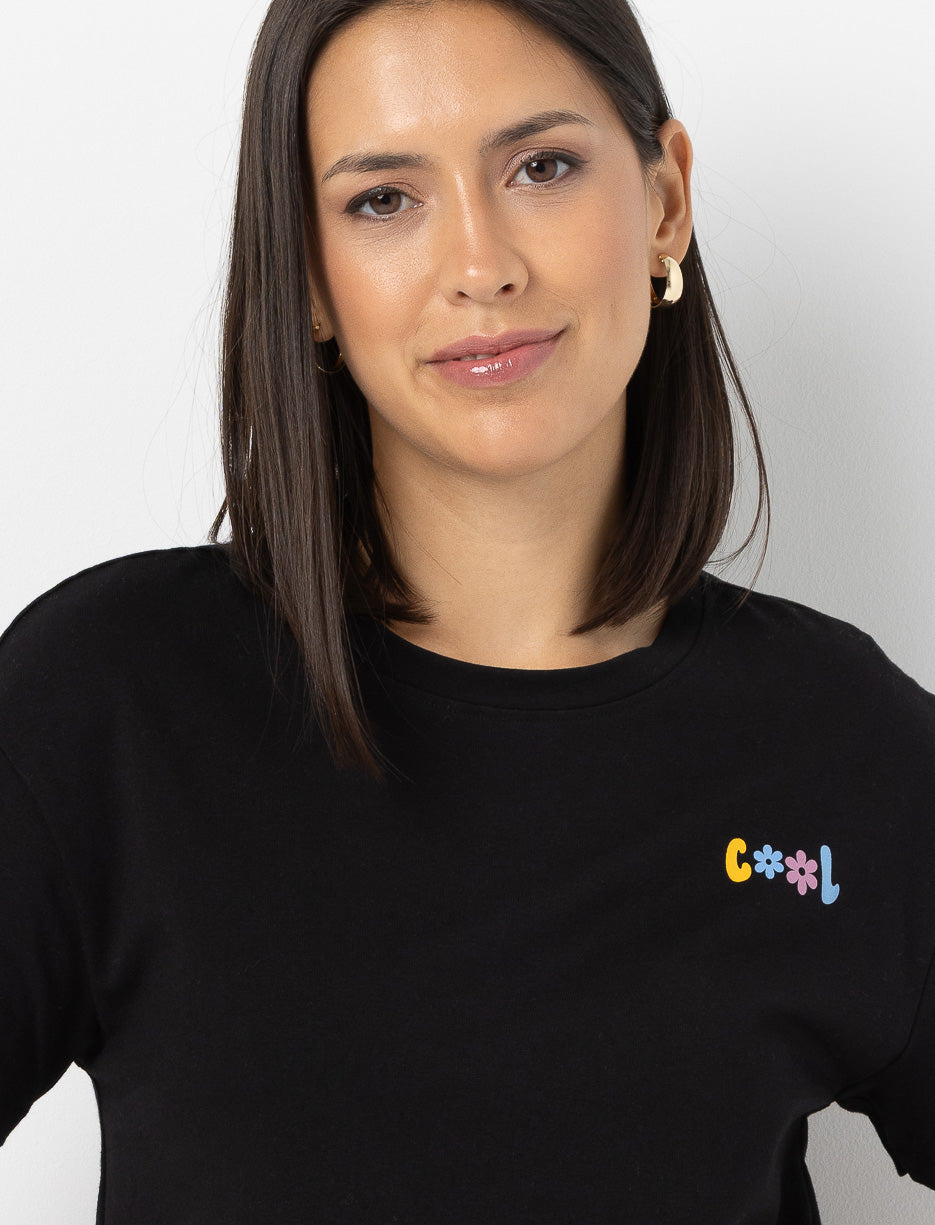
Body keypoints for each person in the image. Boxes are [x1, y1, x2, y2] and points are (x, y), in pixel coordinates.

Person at [1, 0, 932, 1221]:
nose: (479, 264)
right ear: (308, 275)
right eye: (384, 199)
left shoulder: (840, 741)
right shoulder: (111, 701)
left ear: (664, 201)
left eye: (539, 168)